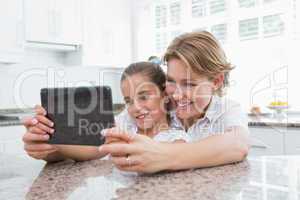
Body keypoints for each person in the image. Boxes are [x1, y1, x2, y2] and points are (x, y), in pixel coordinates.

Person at [98, 31, 250, 173]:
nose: (176, 96)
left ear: (216, 81)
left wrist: (162, 155)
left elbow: (238, 145)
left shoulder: (226, 110)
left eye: (189, 84)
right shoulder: (160, 104)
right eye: (171, 81)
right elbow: (100, 138)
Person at [22, 62, 189, 162]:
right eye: (128, 101)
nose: (135, 107)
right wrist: (51, 139)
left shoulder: (176, 135)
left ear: (165, 95)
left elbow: (169, 156)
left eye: (144, 97)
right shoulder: (125, 122)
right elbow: (94, 149)